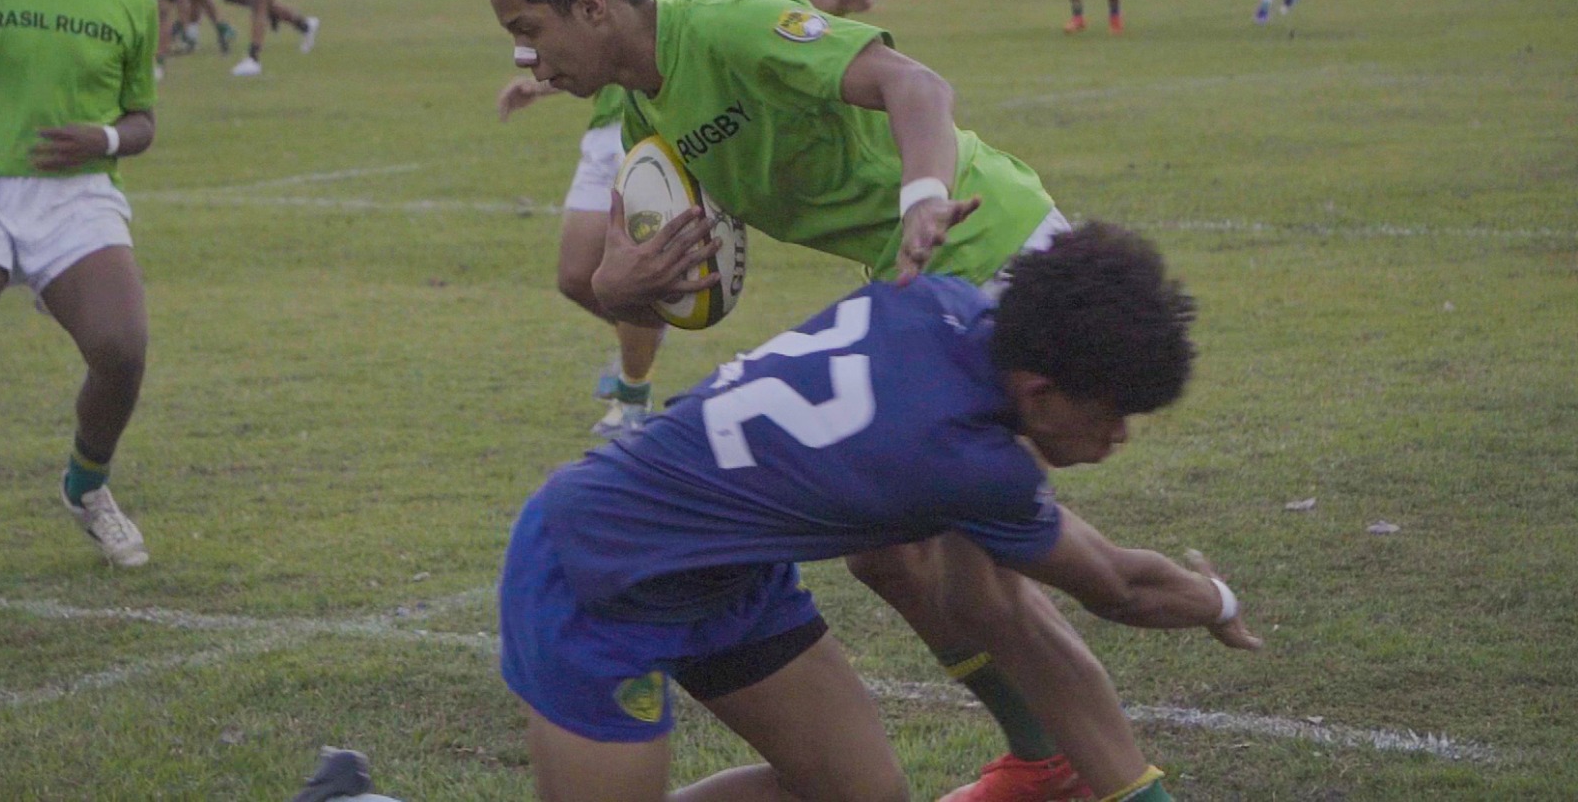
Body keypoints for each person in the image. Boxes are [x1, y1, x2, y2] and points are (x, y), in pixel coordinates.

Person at [487, 0, 1173, 802]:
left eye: (529, 32)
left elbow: (913, 84)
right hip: (910, 282)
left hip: (981, 247)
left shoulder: (726, 24)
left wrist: (923, 195)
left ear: (591, 6)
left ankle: (1067, 769)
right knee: (890, 555)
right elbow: (645, 273)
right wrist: (624, 288)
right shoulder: (642, 115)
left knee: (984, 585)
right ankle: (1042, 757)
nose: (532, 62)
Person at [500, 223, 1262, 802]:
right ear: (1038, 392)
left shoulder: (938, 298)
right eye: (1112, 415)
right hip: (598, 569)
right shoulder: (969, 463)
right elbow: (1116, 588)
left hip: (731, 580)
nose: (1118, 437)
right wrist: (1216, 601)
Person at [498, 0, 873, 439]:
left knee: (645, 262)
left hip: (685, 132)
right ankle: (648, 327)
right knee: (576, 275)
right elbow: (575, 43)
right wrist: (538, 87)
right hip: (618, 125)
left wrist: (839, 2)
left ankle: (633, 391)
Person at [0, 0, 159, 569]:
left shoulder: (130, 1)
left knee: (121, 349)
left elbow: (144, 122)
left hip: (79, 198)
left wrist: (106, 135)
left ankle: (86, 486)